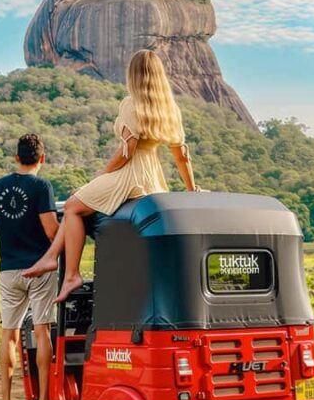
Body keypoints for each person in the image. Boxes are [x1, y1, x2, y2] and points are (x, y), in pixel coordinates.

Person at [24, 49, 197, 300]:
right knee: (79, 200)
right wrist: (192, 190)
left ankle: (70, 273)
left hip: (130, 175)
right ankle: (51, 257)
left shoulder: (131, 104)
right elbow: (181, 156)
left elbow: (127, 151)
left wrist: (101, 177)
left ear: (133, 75)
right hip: (153, 178)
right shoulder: (170, 109)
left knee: (72, 206)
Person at [0, 133, 59, 400]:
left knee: (9, 335)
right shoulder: (42, 186)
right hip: (39, 269)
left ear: (16, 157)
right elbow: (51, 230)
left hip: (8, 270)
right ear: (42, 158)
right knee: (42, 331)